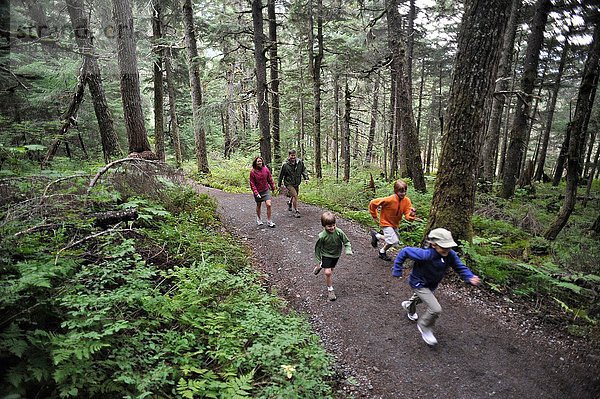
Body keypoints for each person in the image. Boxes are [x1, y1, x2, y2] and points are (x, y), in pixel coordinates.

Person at [392, 228, 481, 346]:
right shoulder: (425, 254)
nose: (447, 250)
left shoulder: (451, 255)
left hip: (431, 284)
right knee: (435, 309)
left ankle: (408, 306)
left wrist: (469, 277)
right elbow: (405, 251)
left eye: (449, 247)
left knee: (419, 299)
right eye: (444, 247)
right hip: (419, 283)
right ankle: (424, 326)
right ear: (433, 245)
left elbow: (460, 267)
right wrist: (397, 269)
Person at [368, 179, 416, 261]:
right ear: (396, 191)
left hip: (395, 224)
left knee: (395, 242)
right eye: (401, 192)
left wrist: (411, 215)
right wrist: (374, 215)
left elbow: (407, 215)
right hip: (385, 222)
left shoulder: (406, 201)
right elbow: (373, 203)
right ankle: (377, 237)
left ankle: (381, 249)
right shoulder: (389, 199)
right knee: (393, 240)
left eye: (404, 191)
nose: (403, 194)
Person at [313, 211, 353, 301]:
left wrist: (348, 249)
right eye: (329, 226)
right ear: (324, 226)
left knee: (331, 270)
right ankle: (330, 290)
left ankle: (321, 266)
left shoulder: (339, 232)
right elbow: (317, 249)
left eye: (333, 225)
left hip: (336, 255)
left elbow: (346, 242)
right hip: (326, 254)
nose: (332, 227)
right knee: (328, 272)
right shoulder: (322, 236)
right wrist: (317, 260)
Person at [278, 149, 309, 218]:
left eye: (294, 155)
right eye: (292, 155)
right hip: (288, 183)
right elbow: (281, 175)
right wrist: (279, 185)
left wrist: (306, 178)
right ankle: (296, 211)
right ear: (289, 156)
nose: (293, 157)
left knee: (294, 195)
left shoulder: (300, 162)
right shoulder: (285, 165)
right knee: (295, 195)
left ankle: (289, 203)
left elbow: (303, 170)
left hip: (296, 182)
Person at [249, 156, 276, 227]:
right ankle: (259, 219)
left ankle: (269, 221)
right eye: (258, 161)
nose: (259, 163)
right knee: (259, 205)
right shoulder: (252, 172)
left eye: (260, 161)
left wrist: (273, 188)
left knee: (269, 205)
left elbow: (270, 179)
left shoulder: (266, 169)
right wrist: (256, 193)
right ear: (255, 162)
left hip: (265, 190)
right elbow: (252, 184)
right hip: (258, 191)